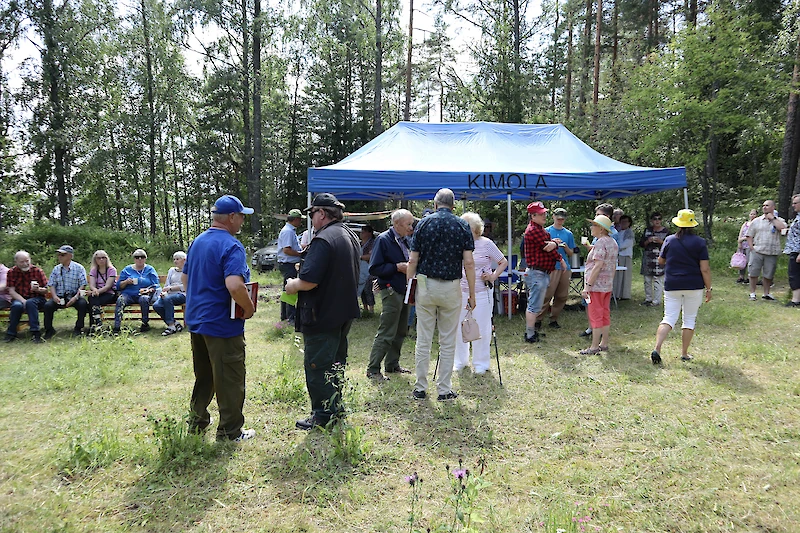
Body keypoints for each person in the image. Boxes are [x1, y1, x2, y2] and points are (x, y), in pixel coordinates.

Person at [183, 194, 257, 442]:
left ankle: (197, 422)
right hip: (222, 323)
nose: (243, 223)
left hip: (197, 320)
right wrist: (248, 308)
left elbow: (185, 279)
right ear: (232, 217)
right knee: (230, 377)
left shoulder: (197, 242)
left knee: (204, 376)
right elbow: (235, 285)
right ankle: (230, 431)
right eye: (242, 217)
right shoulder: (231, 245)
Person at [286, 193, 360, 429]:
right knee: (336, 363)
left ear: (322, 213)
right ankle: (335, 408)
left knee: (318, 365)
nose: (311, 219)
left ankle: (323, 415)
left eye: (312, 214)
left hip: (322, 312)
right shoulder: (347, 234)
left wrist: (292, 284)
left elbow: (308, 282)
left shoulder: (323, 239)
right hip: (343, 310)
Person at [407, 188, 476, 401]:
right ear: (453, 206)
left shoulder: (423, 224)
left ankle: (420, 387)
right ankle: (444, 389)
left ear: (435, 204)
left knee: (424, 338)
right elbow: (469, 263)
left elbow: (412, 261)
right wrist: (472, 294)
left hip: (426, 285)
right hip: (451, 286)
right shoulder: (462, 225)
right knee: (447, 340)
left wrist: (410, 288)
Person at [650, 209, 712, 364]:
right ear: (692, 224)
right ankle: (684, 353)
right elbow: (704, 268)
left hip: (672, 284)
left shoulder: (670, 240)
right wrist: (709, 288)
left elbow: (661, 261)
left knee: (669, 317)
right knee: (689, 319)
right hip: (693, 285)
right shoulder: (700, 242)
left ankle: (657, 348)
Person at [454, 212, 507, 374]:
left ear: (476, 228)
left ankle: (481, 363)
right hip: (460, 291)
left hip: (482, 291)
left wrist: (492, 276)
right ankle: (460, 361)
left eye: (466, 227)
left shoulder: (486, 243)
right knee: (458, 326)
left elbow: (502, 261)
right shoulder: (457, 244)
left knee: (482, 327)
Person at [365, 209, 415, 381]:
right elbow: (374, 268)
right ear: (396, 224)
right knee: (387, 330)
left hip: (405, 289)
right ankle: (373, 369)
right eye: (408, 224)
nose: (410, 227)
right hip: (391, 289)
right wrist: (397, 267)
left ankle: (392, 365)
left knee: (401, 330)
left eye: (411, 224)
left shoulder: (405, 240)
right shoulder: (383, 240)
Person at [523, 202, 566, 343]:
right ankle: (530, 334)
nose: (544, 216)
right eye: (541, 214)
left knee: (536, 304)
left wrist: (553, 243)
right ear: (533, 216)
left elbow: (547, 245)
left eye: (544, 213)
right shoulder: (533, 230)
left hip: (541, 273)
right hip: (537, 273)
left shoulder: (539, 229)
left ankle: (532, 331)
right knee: (534, 306)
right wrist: (555, 245)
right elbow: (547, 248)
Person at [579, 215, 619, 354]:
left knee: (595, 315)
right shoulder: (613, 242)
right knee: (605, 314)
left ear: (601, 229)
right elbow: (612, 265)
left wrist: (587, 286)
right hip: (607, 285)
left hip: (596, 286)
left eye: (594, 225)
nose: (591, 227)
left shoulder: (601, 243)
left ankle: (594, 347)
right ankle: (604, 343)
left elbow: (598, 265)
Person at [538, 207, 575, 329]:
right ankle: (538, 319)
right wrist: (553, 244)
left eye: (562, 219)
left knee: (562, 295)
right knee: (547, 294)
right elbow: (541, 250)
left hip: (565, 268)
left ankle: (554, 319)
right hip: (551, 266)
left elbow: (571, 253)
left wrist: (564, 247)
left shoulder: (568, 234)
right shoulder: (546, 231)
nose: (560, 221)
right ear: (553, 217)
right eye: (558, 218)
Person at [42, 245, 89, 339]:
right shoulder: (56, 269)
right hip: (60, 296)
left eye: (62, 255)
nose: (59, 257)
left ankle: (78, 328)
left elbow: (83, 285)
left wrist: (75, 297)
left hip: (75, 295)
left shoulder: (79, 268)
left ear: (70, 256)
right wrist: (54, 296)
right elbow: (51, 284)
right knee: (48, 306)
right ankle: (49, 329)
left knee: (83, 304)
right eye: (59, 254)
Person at [3, 251, 49, 343]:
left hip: (37, 298)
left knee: (31, 303)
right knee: (16, 306)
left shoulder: (37, 271)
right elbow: (11, 291)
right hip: (19, 297)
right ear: (16, 262)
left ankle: (36, 333)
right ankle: (11, 333)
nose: (25, 264)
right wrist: (23, 301)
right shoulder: (11, 272)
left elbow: (46, 290)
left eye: (27, 261)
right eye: (22, 262)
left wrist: (38, 289)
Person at [746, 199, 786, 301]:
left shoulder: (779, 220)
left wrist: (773, 219)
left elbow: (783, 229)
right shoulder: (756, 221)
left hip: (772, 252)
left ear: (773, 207)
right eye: (763, 205)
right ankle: (752, 293)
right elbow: (749, 235)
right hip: (758, 251)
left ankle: (766, 293)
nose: (764, 207)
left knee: (768, 274)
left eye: (767, 205)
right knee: (753, 273)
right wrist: (752, 248)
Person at [113, 249, 160, 333]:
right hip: (128, 294)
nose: (139, 259)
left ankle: (145, 323)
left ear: (145, 258)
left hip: (143, 294)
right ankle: (117, 326)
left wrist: (148, 290)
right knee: (120, 300)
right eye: (137, 257)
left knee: (144, 299)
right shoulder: (127, 269)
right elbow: (118, 286)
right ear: (134, 259)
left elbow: (156, 285)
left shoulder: (150, 269)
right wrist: (126, 282)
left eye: (142, 257)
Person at [277, 208, 305, 323]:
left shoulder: (290, 230)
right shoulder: (288, 231)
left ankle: (285, 315)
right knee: (290, 289)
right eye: (300, 220)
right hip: (288, 263)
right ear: (296, 219)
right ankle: (291, 317)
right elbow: (287, 250)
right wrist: (300, 253)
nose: (301, 222)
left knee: (286, 289)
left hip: (288, 263)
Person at [639, 212, 670, 307]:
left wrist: (661, 242)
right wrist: (648, 241)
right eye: (655, 219)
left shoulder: (666, 231)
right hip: (648, 256)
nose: (657, 221)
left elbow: (670, 244)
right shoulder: (647, 230)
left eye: (659, 219)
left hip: (660, 256)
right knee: (647, 279)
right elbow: (641, 244)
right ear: (651, 220)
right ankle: (648, 299)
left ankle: (656, 300)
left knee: (658, 279)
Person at [154, 251, 187, 335]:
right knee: (156, 305)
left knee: (168, 299)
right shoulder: (171, 270)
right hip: (170, 294)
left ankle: (171, 326)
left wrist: (171, 288)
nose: (175, 261)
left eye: (177, 259)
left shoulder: (188, 271)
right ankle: (175, 323)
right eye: (174, 259)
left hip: (183, 294)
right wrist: (164, 292)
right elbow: (167, 284)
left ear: (184, 260)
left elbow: (186, 286)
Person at [88, 250, 118, 330]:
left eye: (103, 258)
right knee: (91, 298)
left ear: (107, 259)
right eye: (99, 258)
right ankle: (96, 322)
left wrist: (96, 292)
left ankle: (95, 322)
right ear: (95, 260)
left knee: (93, 301)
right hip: (98, 294)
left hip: (110, 293)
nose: (101, 260)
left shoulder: (111, 270)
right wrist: (94, 290)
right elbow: (92, 284)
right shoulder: (94, 270)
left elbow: (108, 286)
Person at [783, 195, 800, 307]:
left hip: (797, 250)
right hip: (794, 249)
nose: (793, 205)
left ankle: (796, 301)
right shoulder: (798, 216)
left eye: (795, 203)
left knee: (794, 275)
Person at [613, 214, 634, 300]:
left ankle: (625, 295)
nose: (624, 223)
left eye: (626, 222)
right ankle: (617, 294)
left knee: (625, 276)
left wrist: (616, 248)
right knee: (617, 276)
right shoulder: (618, 232)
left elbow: (627, 243)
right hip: (618, 256)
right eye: (622, 222)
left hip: (626, 255)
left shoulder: (629, 232)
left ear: (629, 223)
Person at [357, 225, 377, 314]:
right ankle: (365, 308)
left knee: (368, 289)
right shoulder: (360, 243)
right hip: (361, 269)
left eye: (363, 232)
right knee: (361, 290)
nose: (361, 234)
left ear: (369, 233)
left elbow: (372, 256)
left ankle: (371, 310)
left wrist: (360, 257)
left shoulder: (372, 243)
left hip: (370, 269)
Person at [736, 209, 758, 283]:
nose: (752, 215)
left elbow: (754, 235)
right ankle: (741, 276)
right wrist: (739, 242)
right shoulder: (745, 224)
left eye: (754, 214)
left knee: (749, 261)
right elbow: (741, 233)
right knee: (741, 261)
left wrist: (745, 238)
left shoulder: (757, 224)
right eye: (751, 214)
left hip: (751, 244)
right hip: (743, 244)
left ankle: (749, 277)